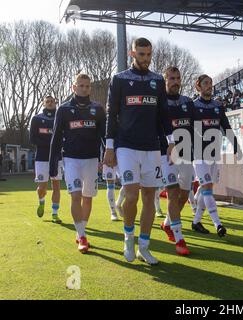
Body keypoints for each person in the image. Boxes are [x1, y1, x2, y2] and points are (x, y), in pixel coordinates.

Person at [104, 38, 174, 265]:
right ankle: (128, 239)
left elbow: (163, 113)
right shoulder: (119, 79)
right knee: (131, 195)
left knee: (149, 197)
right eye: (141, 54)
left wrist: (171, 140)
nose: (145, 59)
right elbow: (111, 115)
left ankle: (144, 246)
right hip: (126, 146)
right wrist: (109, 147)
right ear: (133, 54)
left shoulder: (157, 80)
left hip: (152, 147)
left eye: (148, 54)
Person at [49, 74, 106, 254]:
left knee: (87, 198)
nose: (84, 89)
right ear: (74, 87)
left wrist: (107, 157)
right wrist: (52, 164)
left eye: (87, 86)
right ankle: (81, 235)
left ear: (90, 88)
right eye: (80, 85)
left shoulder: (97, 109)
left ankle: (82, 229)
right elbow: (56, 138)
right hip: (71, 159)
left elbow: (104, 136)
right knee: (75, 196)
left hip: (91, 159)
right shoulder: (63, 110)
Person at [191, 74, 240, 237]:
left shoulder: (218, 106)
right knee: (207, 190)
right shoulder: (192, 106)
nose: (209, 86)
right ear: (198, 86)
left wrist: (235, 144)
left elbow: (226, 127)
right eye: (205, 83)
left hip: (214, 154)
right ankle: (218, 224)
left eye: (210, 83)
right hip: (198, 154)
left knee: (207, 189)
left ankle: (196, 221)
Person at [158, 66, 194, 256]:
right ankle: (180, 238)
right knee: (172, 194)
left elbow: (195, 127)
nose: (175, 81)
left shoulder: (188, 102)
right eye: (171, 78)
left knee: (184, 195)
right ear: (165, 80)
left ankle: (166, 223)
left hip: (187, 153)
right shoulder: (159, 102)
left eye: (178, 78)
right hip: (167, 155)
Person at [30, 95, 63, 223]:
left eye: (52, 101)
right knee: (42, 188)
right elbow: (32, 139)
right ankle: (42, 202)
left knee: (56, 186)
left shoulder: (60, 118)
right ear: (44, 103)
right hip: (41, 158)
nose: (50, 103)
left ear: (56, 103)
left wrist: (56, 146)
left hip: (57, 158)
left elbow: (63, 137)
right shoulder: (37, 119)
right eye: (47, 101)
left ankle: (55, 214)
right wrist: (50, 144)